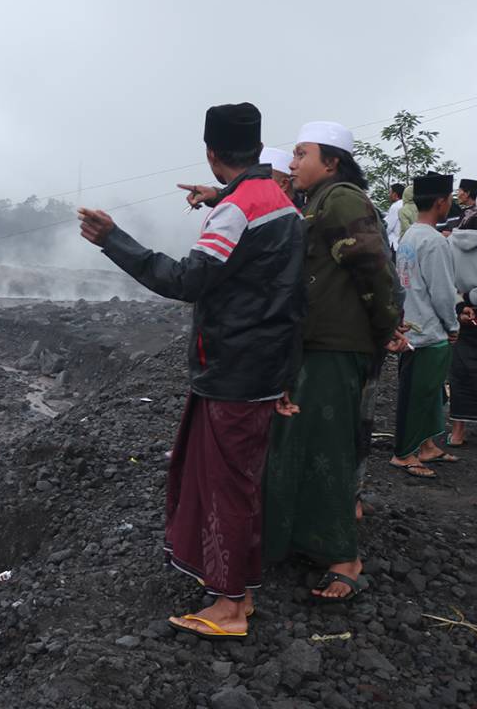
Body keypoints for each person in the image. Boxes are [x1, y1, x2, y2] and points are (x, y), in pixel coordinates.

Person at [78, 102, 305, 640]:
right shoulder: (277, 200)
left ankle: (229, 605)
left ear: (210, 152)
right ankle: (237, 586)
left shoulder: (237, 209)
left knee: (226, 484)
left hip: (234, 371)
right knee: (238, 480)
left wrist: (114, 239)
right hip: (263, 366)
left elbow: (185, 280)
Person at [263, 121, 402, 603]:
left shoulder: (341, 198)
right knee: (302, 444)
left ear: (333, 162)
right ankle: (308, 541)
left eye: (303, 154)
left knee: (329, 448)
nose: (294, 162)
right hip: (318, 344)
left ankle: (345, 557)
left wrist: (382, 331)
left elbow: (375, 272)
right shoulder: (317, 202)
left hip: (336, 347)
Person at [391, 172, 459, 477]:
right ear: (442, 202)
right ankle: (404, 453)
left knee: (430, 393)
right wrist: (453, 324)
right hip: (429, 331)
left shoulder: (410, 234)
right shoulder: (434, 240)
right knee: (418, 396)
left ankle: (429, 446)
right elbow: (442, 291)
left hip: (410, 325)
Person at [447, 215, 477, 447]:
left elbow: (446, 279)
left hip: (462, 312)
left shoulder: (451, 241)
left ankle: (457, 433)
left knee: (460, 370)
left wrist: (461, 301)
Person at [385, 183, 405, 251]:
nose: (389, 195)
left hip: (395, 244)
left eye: (390, 192)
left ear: (395, 194)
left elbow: (388, 227)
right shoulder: (405, 204)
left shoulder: (395, 206)